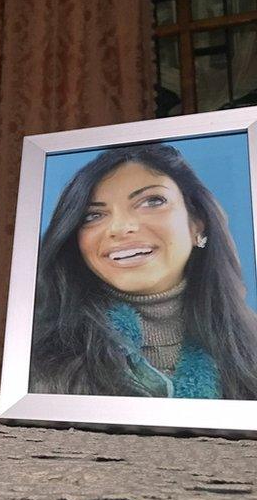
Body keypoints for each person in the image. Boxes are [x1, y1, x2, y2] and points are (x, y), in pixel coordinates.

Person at [30, 143, 257, 399]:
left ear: (197, 224)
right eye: (92, 215)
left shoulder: (250, 345)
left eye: (152, 201)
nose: (120, 227)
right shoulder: (36, 355)